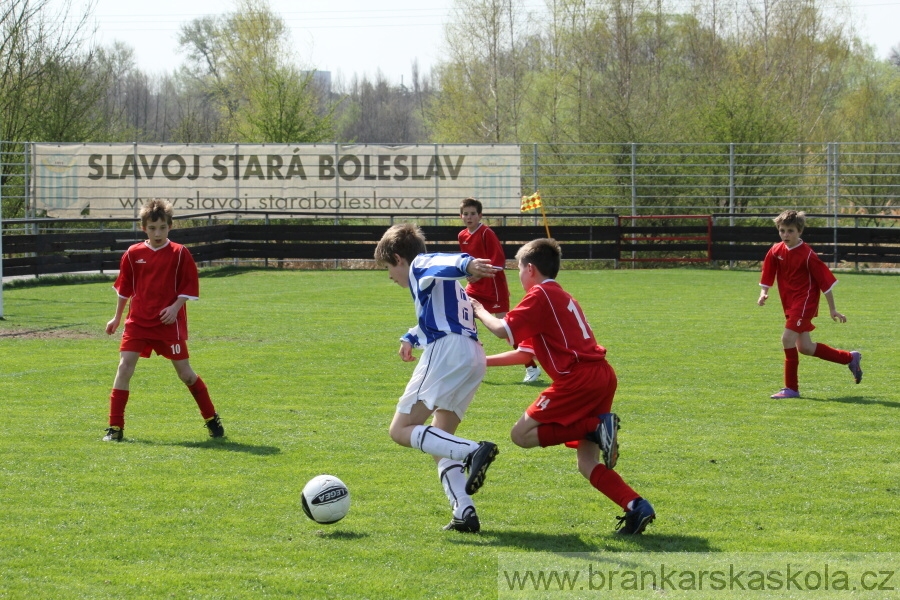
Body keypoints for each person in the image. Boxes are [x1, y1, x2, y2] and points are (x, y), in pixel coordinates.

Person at [472, 238, 655, 535]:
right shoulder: (559, 296)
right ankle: (636, 506)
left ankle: (595, 426)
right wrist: (481, 363)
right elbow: (524, 354)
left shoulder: (539, 295)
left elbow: (501, 329)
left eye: (519, 269)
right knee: (587, 462)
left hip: (578, 378)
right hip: (601, 376)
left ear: (530, 269)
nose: (518, 276)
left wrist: (479, 308)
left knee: (520, 434)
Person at [374, 223, 500, 533]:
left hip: (448, 352)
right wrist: (410, 336)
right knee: (438, 439)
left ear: (399, 258)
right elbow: (439, 318)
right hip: (472, 355)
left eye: (388, 267)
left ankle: (472, 450)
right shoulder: (444, 286)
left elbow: (435, 260)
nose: (390, 275)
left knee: (400, 429)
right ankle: (463, 509)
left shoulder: (419, 264)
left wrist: (466, 263)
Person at [103, 199, 224, 441]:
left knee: (186, 375)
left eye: (162, 227)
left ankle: (211, 418)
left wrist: (175, 307)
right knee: (124, 367)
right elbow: (124, 288)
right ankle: (115, 428)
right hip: (137, 322)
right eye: (152, 228)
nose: (157, 233)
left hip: (169, 325)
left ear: (170, 226)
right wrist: (117, 318)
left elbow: (188, 286)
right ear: (144, 228)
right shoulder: (132, 254)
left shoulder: (180, 253)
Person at [758, 210, 862, 399]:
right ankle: (850, 357)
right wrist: (764, 292)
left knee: (786, 339)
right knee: (805, 347)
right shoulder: (776, 250)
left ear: (799, 231)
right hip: (789, 303)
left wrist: (832, 309)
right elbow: (768, 272)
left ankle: (791, 388)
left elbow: (825, 283)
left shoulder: (807, 255)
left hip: (805, 302)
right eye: (782, 231)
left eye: (790, 231)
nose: (785, 235)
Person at [458, 197, 541, 384]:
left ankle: (531, 367)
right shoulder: (462, 235)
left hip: (493, 286)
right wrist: (467, 271)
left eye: (473, 214)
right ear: (461, 215)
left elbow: (498, 263)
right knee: (459, 312)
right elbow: (467, 260)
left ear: (480, 215)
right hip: (475, 286)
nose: (469, 217)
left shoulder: (486, 233)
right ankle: (471, 357)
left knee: (506, 329)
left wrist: (479, 274)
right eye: (466, 214)